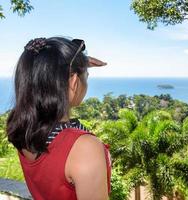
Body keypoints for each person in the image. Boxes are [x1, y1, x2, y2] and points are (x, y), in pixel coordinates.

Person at [5, 37, 111, 200]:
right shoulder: (84, 148)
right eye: (86, 77)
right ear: (74, 82)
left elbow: (38, 65)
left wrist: (78, 64)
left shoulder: (23, 129)